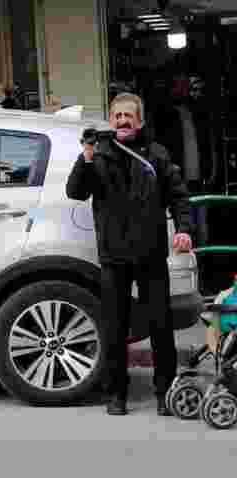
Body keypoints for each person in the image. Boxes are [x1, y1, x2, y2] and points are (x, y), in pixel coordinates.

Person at [67, 92, 193, 416]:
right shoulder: (99, 154)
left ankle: (166, 392)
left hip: (150, 253)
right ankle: (116, 394)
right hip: (113, 256)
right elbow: (75, 191)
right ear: (111, 120)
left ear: (140, 121)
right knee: (115, 327)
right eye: (117, 116)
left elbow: (178, 196)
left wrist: (183, 229)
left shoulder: (156, 155)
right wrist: (87, 155)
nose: (123, 120)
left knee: (160, 326)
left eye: (129, 115)